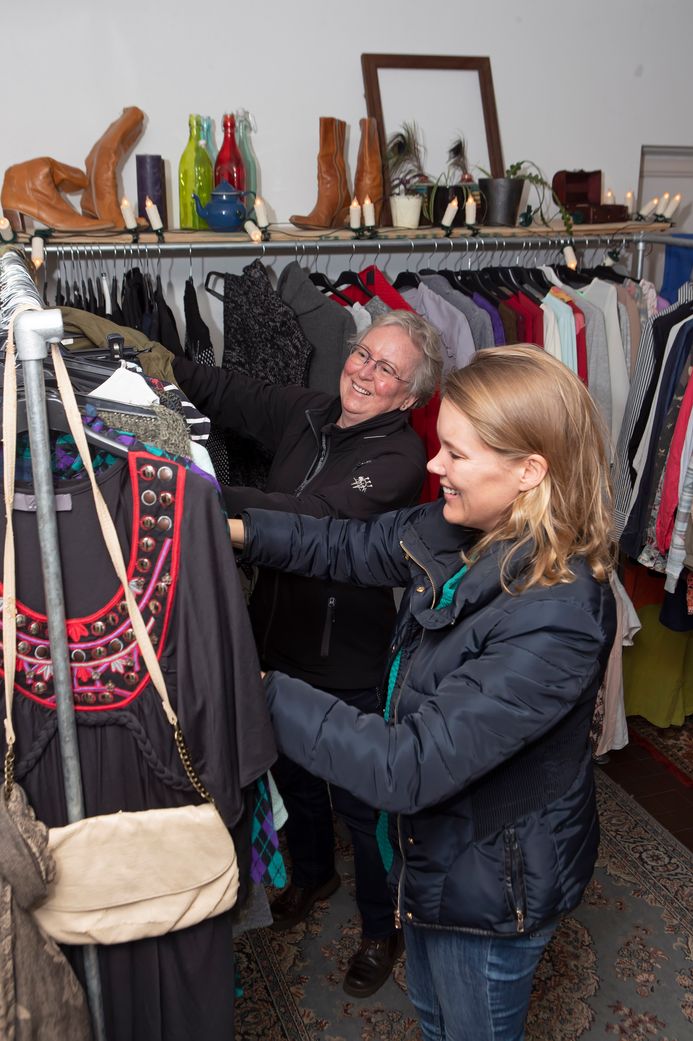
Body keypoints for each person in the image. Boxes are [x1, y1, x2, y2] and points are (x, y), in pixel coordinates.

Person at [229, 345, 617, 1040]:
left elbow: (406, 766)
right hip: (439, 856)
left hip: (493, 887)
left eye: (456, 454)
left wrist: (256, 689)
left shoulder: (556, 614)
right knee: (436, 1017)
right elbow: (344, 546)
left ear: (529, 471)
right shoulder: (463, 525)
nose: (433, 466)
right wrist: (230, 527)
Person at [171, 310, 443, 997]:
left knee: (365, 803)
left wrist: (200, 495)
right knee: (290, 773)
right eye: (362, 353)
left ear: (409, 396)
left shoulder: (400, 458)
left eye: (387, 368)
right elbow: (233, 390)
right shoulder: (313, 410)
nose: (363, 370)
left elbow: (312, 517)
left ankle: (383, 927)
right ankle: (315, 872)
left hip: (347, 655)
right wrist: (159, 369)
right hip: (274, 634)